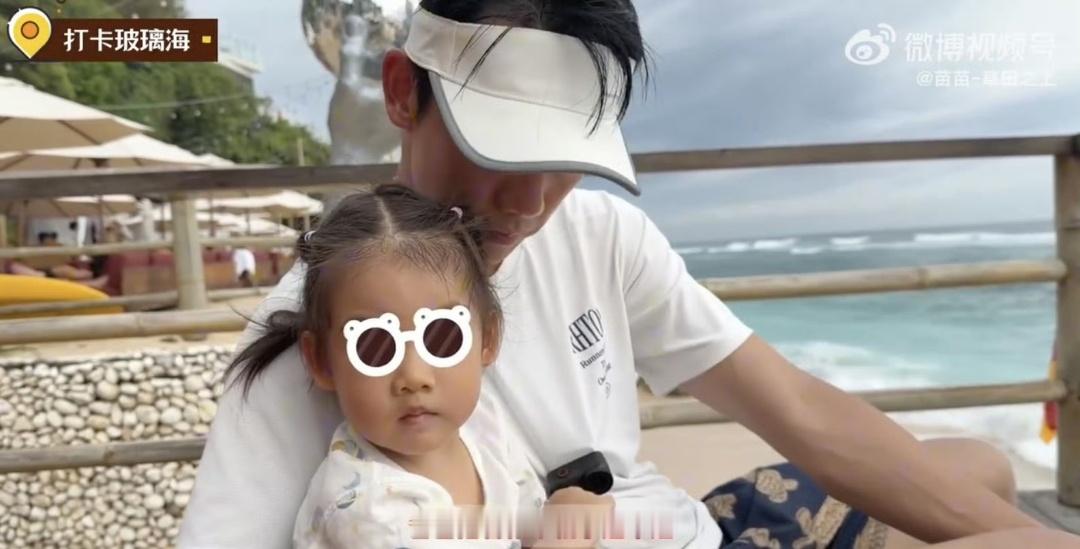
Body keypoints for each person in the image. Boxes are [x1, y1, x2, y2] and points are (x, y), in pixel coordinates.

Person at [180, 2, 1080, 548]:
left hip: (693, 521)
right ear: (401, 92)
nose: (530, 201)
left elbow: (795, 406)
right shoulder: (320, 325)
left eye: (566, 158)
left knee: (984, 470)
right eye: (499, 147)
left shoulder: (598, 231)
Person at [229, 185, 609, 549]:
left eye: (443, 337)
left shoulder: (484, 428)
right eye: (375, 346)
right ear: (322, 361)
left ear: (488, 338)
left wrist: (560, 512)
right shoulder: (368, 512)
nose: (414, 377)